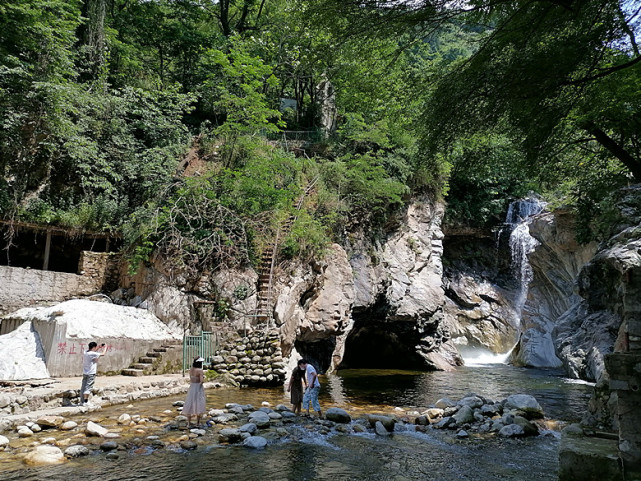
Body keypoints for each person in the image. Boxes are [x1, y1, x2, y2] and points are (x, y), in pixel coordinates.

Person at [183, 357, 206, 427]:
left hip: (192, 387)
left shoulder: (191, 369)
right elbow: (201, 381)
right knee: (199, 403)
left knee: (190, 403)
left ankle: (189, 423)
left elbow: (191, 379)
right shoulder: (200, 370)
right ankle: (197, 423)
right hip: (198, 388)